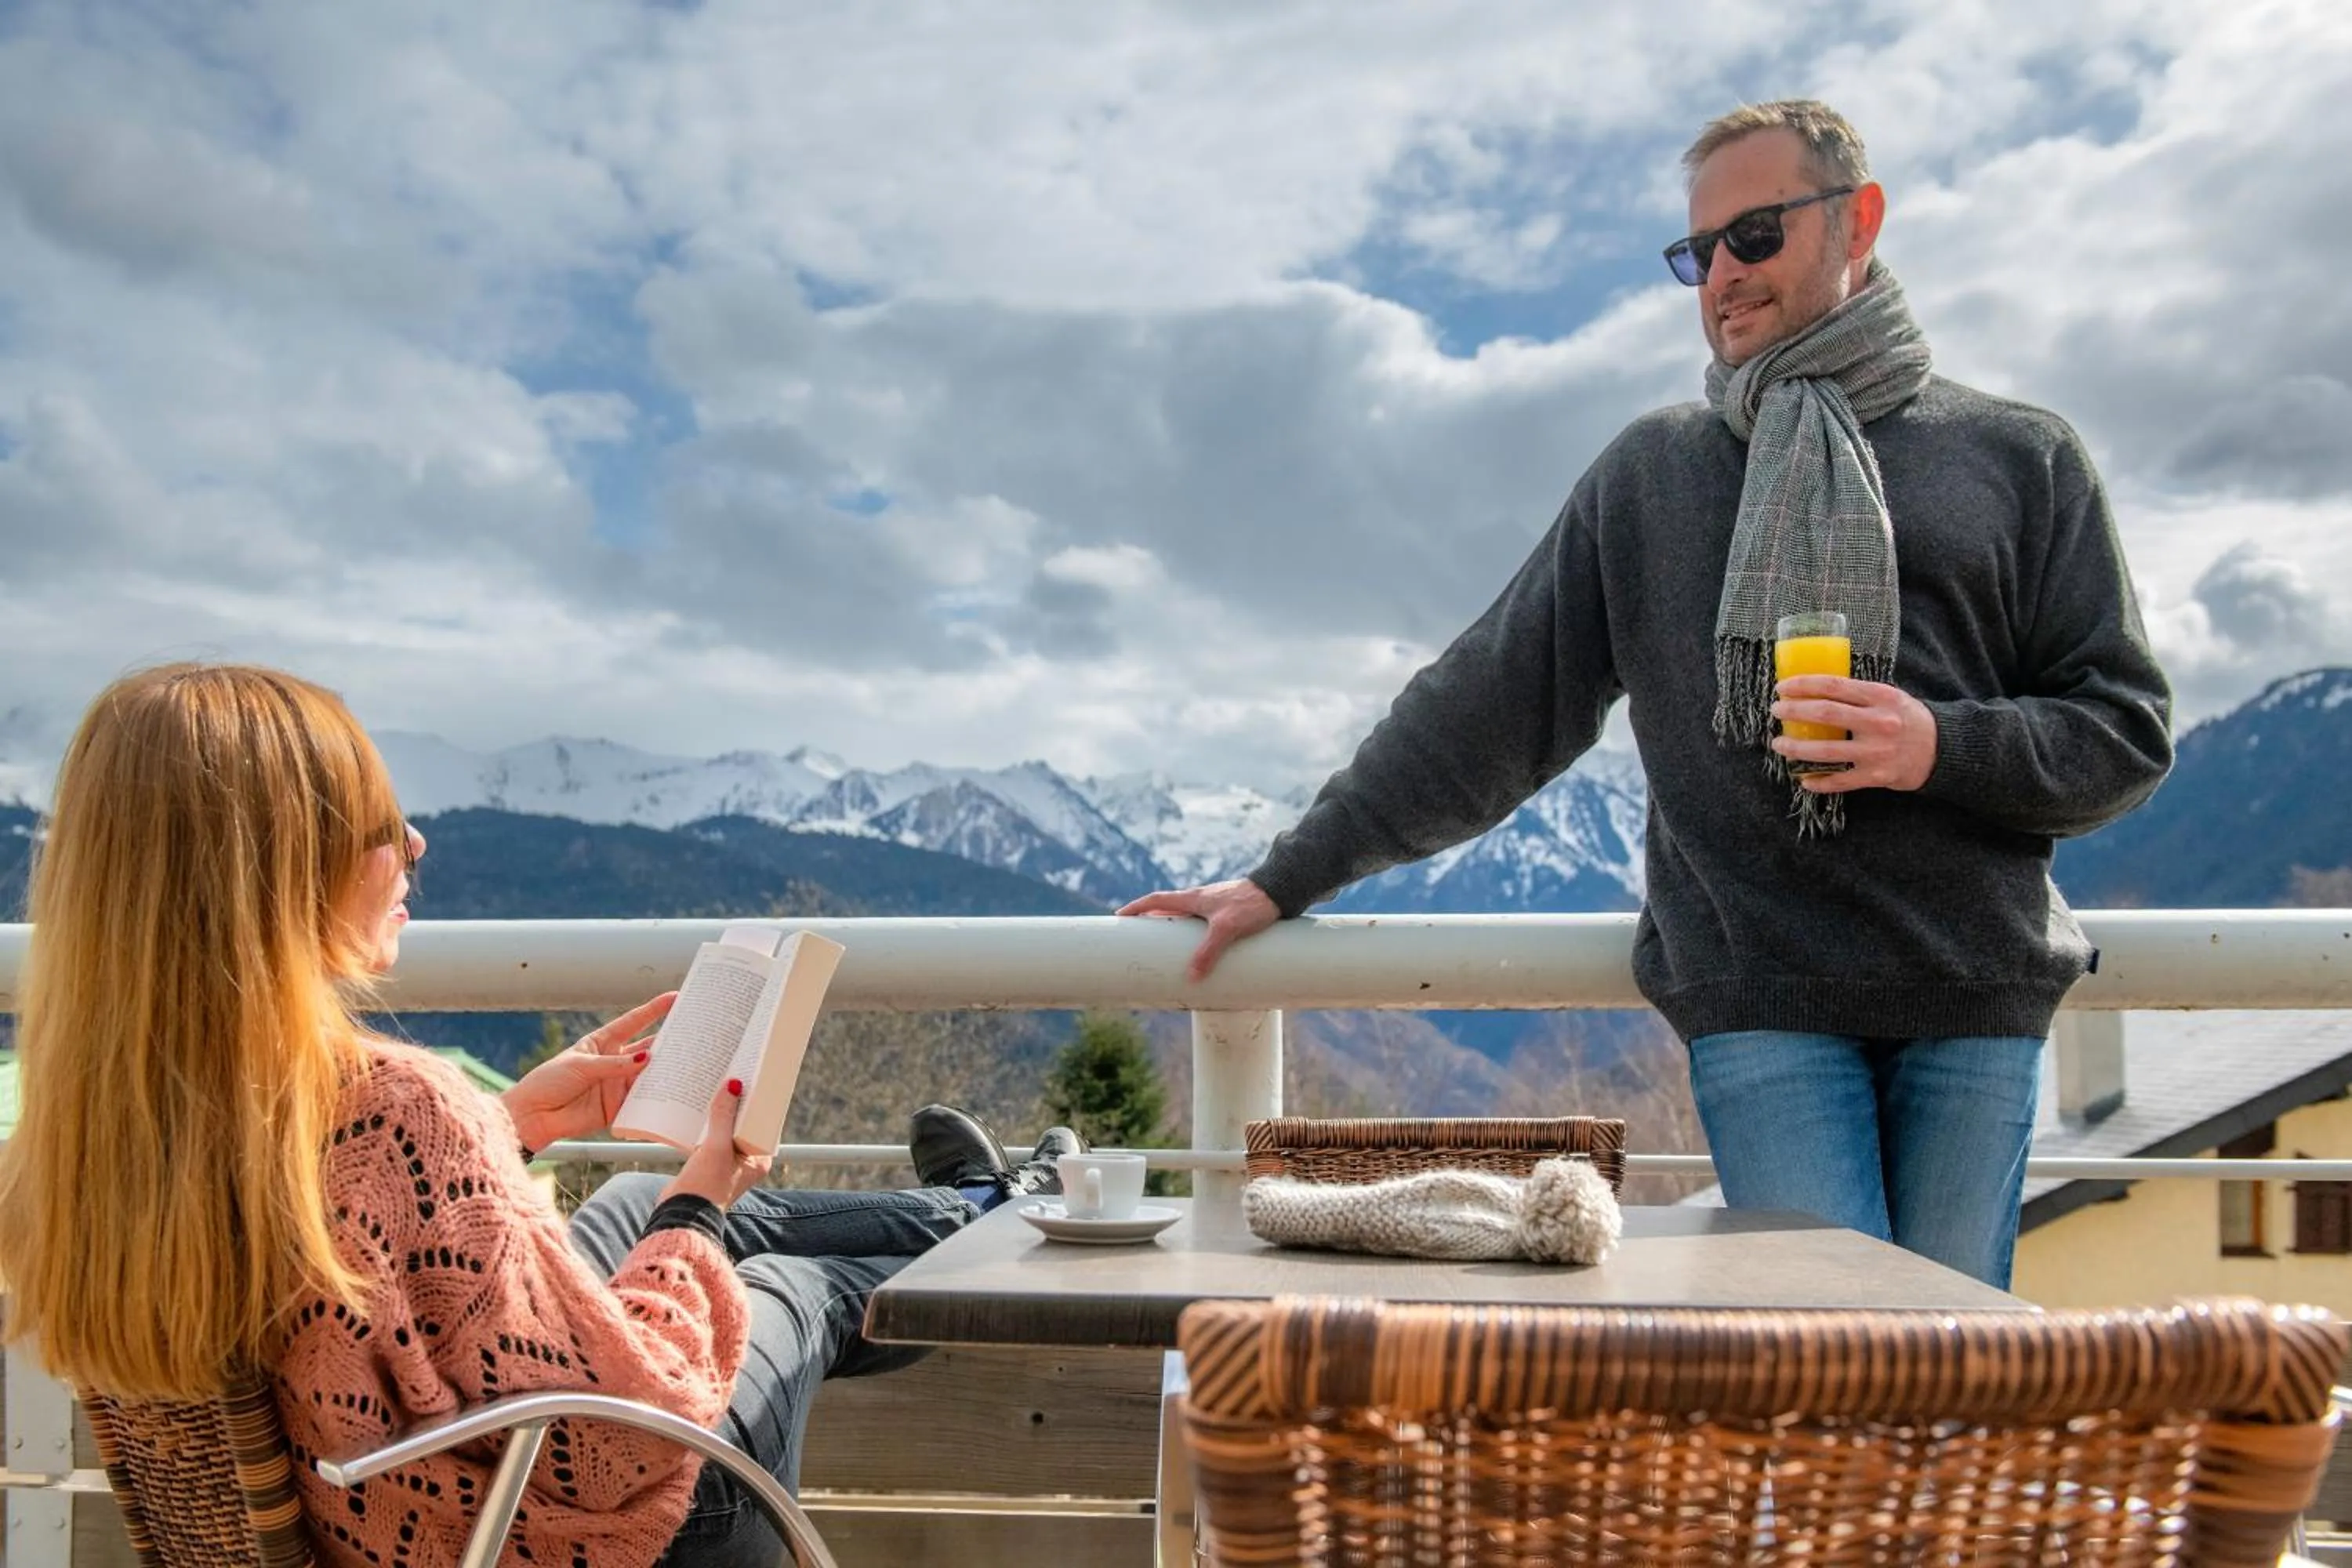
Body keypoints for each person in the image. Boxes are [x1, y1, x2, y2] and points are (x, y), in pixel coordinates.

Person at [1121, 100, 2172, 1290]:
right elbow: (1489, 704)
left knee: (1945, 1370)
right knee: (1826, 1353)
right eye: (1699, 251)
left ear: (1859, 221)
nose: (1722, 274)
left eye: (1756, 234)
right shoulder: (1654, 476)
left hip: (1977, 989)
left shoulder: (2021, 458)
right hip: (1762, 989)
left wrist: (1940, 745)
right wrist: (1285, 875)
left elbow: (2123, 731)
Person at [0, 662, 1080, 1568]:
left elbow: (325, 1268)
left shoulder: (88, 1129)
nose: (416, 845)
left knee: (628, 1194)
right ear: (282, 869)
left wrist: (504, 1133)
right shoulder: (386, 1107)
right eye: (381, 824)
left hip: (379, 1513)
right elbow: (627, 1445)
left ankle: (983, 1203)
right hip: (569, 1527)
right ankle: (1010, 1217)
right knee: (771, 1279)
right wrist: (706, 1205)